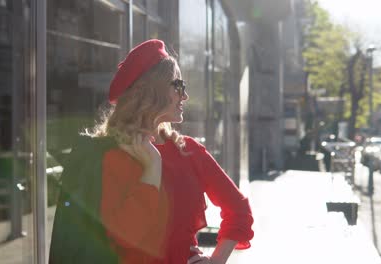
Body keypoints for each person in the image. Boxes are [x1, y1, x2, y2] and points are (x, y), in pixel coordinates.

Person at [49, 39, 254, 264]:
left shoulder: (189, 151)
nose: (184, 96)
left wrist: (216, 261)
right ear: (151, 92)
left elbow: (239, 209)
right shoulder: (110, 156)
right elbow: (129, 238)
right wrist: (152, 166)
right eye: (178, 86)